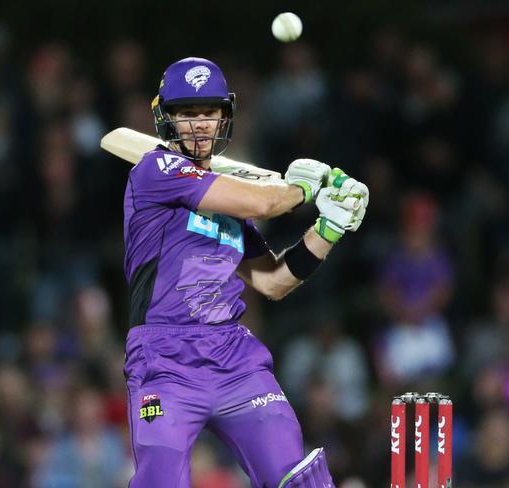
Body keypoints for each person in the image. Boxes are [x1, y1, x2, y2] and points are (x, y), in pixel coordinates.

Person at [122, 57, 369, 488]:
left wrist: (328, 227)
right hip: (165, 359)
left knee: (298, 478)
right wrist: (306, 189)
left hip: (234, 356)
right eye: (187, 114)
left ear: (224, 116)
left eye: (209, 113)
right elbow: (264, 203)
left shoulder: (229, 210)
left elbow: (274, 281)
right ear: (166, 118)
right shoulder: (154, 170)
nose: (200, 125)